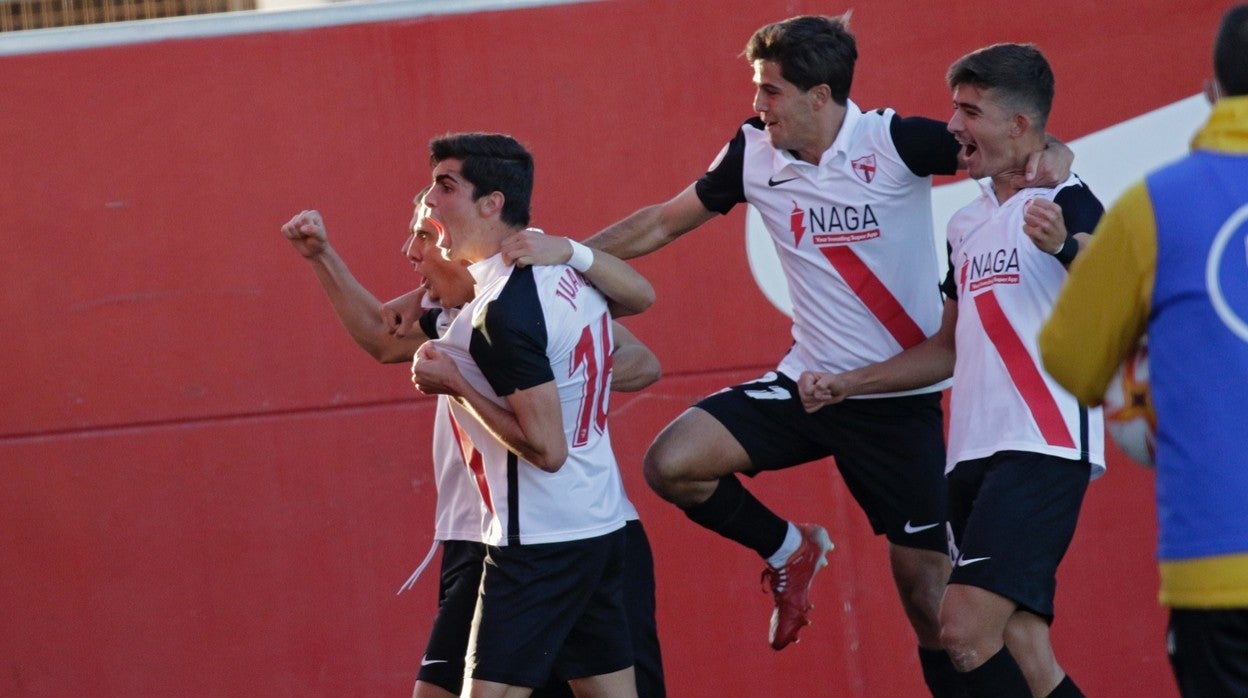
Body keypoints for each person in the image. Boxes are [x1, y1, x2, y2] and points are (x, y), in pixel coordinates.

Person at [582, 13, 1070, 696]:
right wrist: (570, 262)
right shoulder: (753, 152)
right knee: (673, 464)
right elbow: (665, 219)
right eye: (758, 89)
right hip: (807, 387)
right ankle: (790, 549)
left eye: (772, 91)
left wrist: (1058, 158)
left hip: (895, 403)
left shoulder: (896, 141)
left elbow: (1008, 147)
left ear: (820, 96)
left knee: (933, 608)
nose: (758, 106)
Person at [802, 43, 1102, 697]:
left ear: (1020, 127)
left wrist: (1066, 244)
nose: (954, 126)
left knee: (960, 629)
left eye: (970, 110)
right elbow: (948, 346)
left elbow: (1116, 275)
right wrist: (850, 383)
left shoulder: (1067, 195)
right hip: (970, 456)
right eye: (953, 108)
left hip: (1040, 446)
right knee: (1022, 645)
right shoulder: (964, 223)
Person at [281, 189, 665, 697]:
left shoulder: (529, 308)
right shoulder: (458, 317)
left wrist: (523, 377)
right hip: (491, 533)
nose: (408, 253)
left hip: (560, 533)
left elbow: (641, 361)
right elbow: (380, 336)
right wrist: (321, 256)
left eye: (423, 235)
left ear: (464, 243)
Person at [1040, 6, 1248, 696]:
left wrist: (1157, 382)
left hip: (1220, 561)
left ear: (1211, 93)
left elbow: (1071, 356)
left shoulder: (1155, 205)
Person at [409, 131, 644, 698]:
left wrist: (455, 384)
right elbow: (641, 297)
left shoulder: (504, 312)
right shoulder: (559, 266)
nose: (430, 200)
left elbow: (548, 451)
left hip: (540, 541)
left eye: (445, 186)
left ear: (492, 203)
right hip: (598, 523)